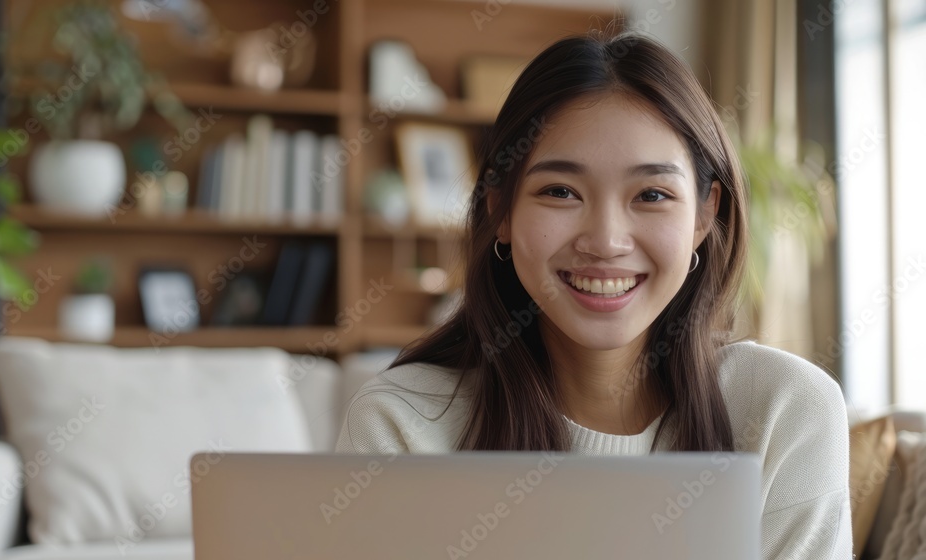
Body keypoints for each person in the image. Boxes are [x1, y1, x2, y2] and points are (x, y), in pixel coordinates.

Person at [336, 32, 851, 559]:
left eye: (652, 195)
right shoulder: (401, 425)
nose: (605, 241)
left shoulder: (783, 411)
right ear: (501, 211)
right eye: (560, 192)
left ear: (703, 214)